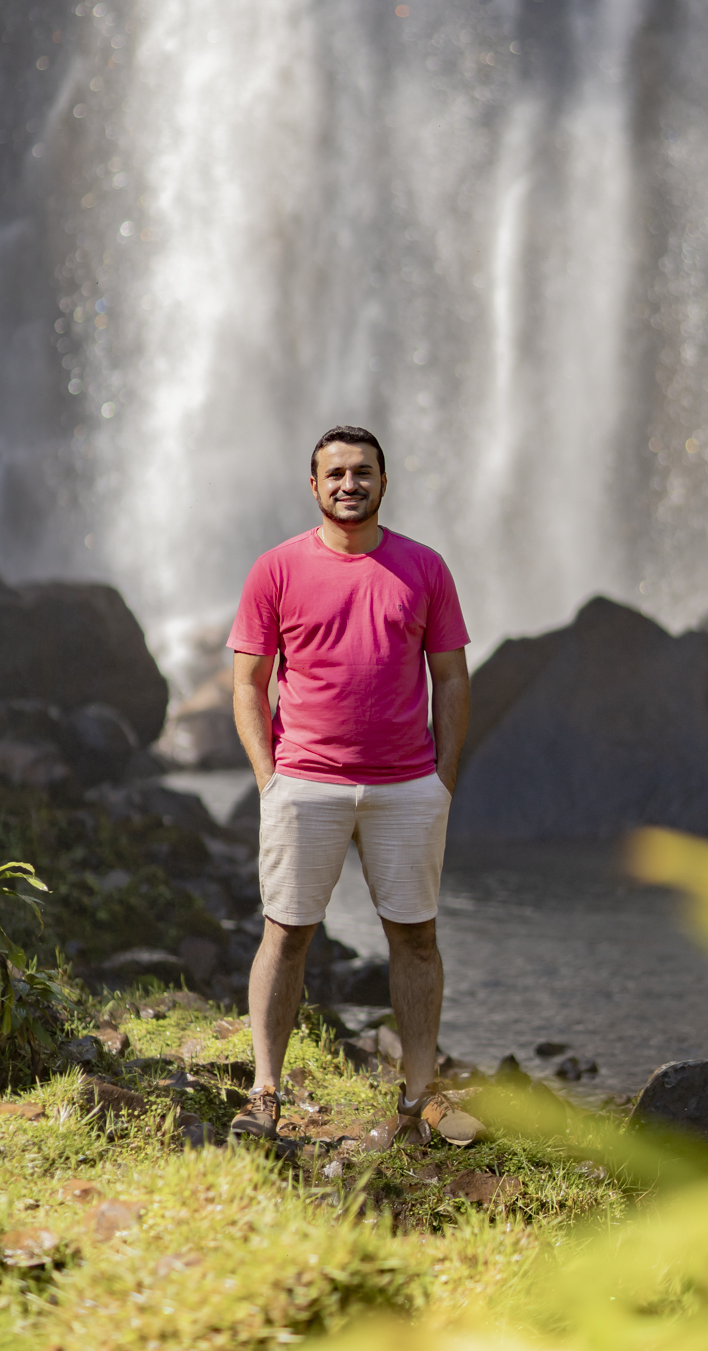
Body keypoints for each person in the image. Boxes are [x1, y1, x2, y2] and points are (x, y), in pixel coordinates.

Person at [226, 424, 471, 1145]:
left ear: (383, 481)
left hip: (407, 785)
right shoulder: (276, 569)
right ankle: (265, 1091)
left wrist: (442, 779)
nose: (349, 484)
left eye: (362, 472)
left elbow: (451, 677)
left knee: (416, 937)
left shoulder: (424, 568)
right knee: (286, 934)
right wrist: (269, 780)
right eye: (334, 474)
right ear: (313, 485)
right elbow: (247, 683)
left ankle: (419, 1097)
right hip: (304, 782)